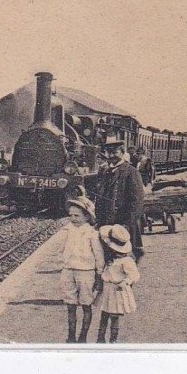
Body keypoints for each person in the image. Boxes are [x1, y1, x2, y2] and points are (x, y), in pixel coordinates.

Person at [51, 196, 105, 343]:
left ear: (87, 216)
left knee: (86, 305)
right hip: (68, 271)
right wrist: (64, 262)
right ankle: (71, 335)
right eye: (70, 215)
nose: (73, 219)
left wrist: (99, 273)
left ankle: (83, 336)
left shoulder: (92, 234)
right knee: (70, 305)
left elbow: (98, 255)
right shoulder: (67, 231)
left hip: (86, 272)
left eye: (77, 216)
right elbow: (60, 249)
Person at [95, 139, 145, 261]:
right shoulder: (104, 172)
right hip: (106, 223)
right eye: (108, 152)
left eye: (115, 152)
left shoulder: (131, 172)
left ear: (122, 153)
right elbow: (100, 197)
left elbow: (137, 200)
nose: (111, 156)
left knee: (127, 260)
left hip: (124, 223)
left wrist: (127, 224)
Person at [96, 224, 141, 343]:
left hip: (117, 290)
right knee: (104, 313)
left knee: (114, 315)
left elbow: (134, 275)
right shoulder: (110, 258)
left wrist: (126, 282)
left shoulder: (126, 261)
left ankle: (113, 339)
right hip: (107, 289)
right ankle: (100, 337)